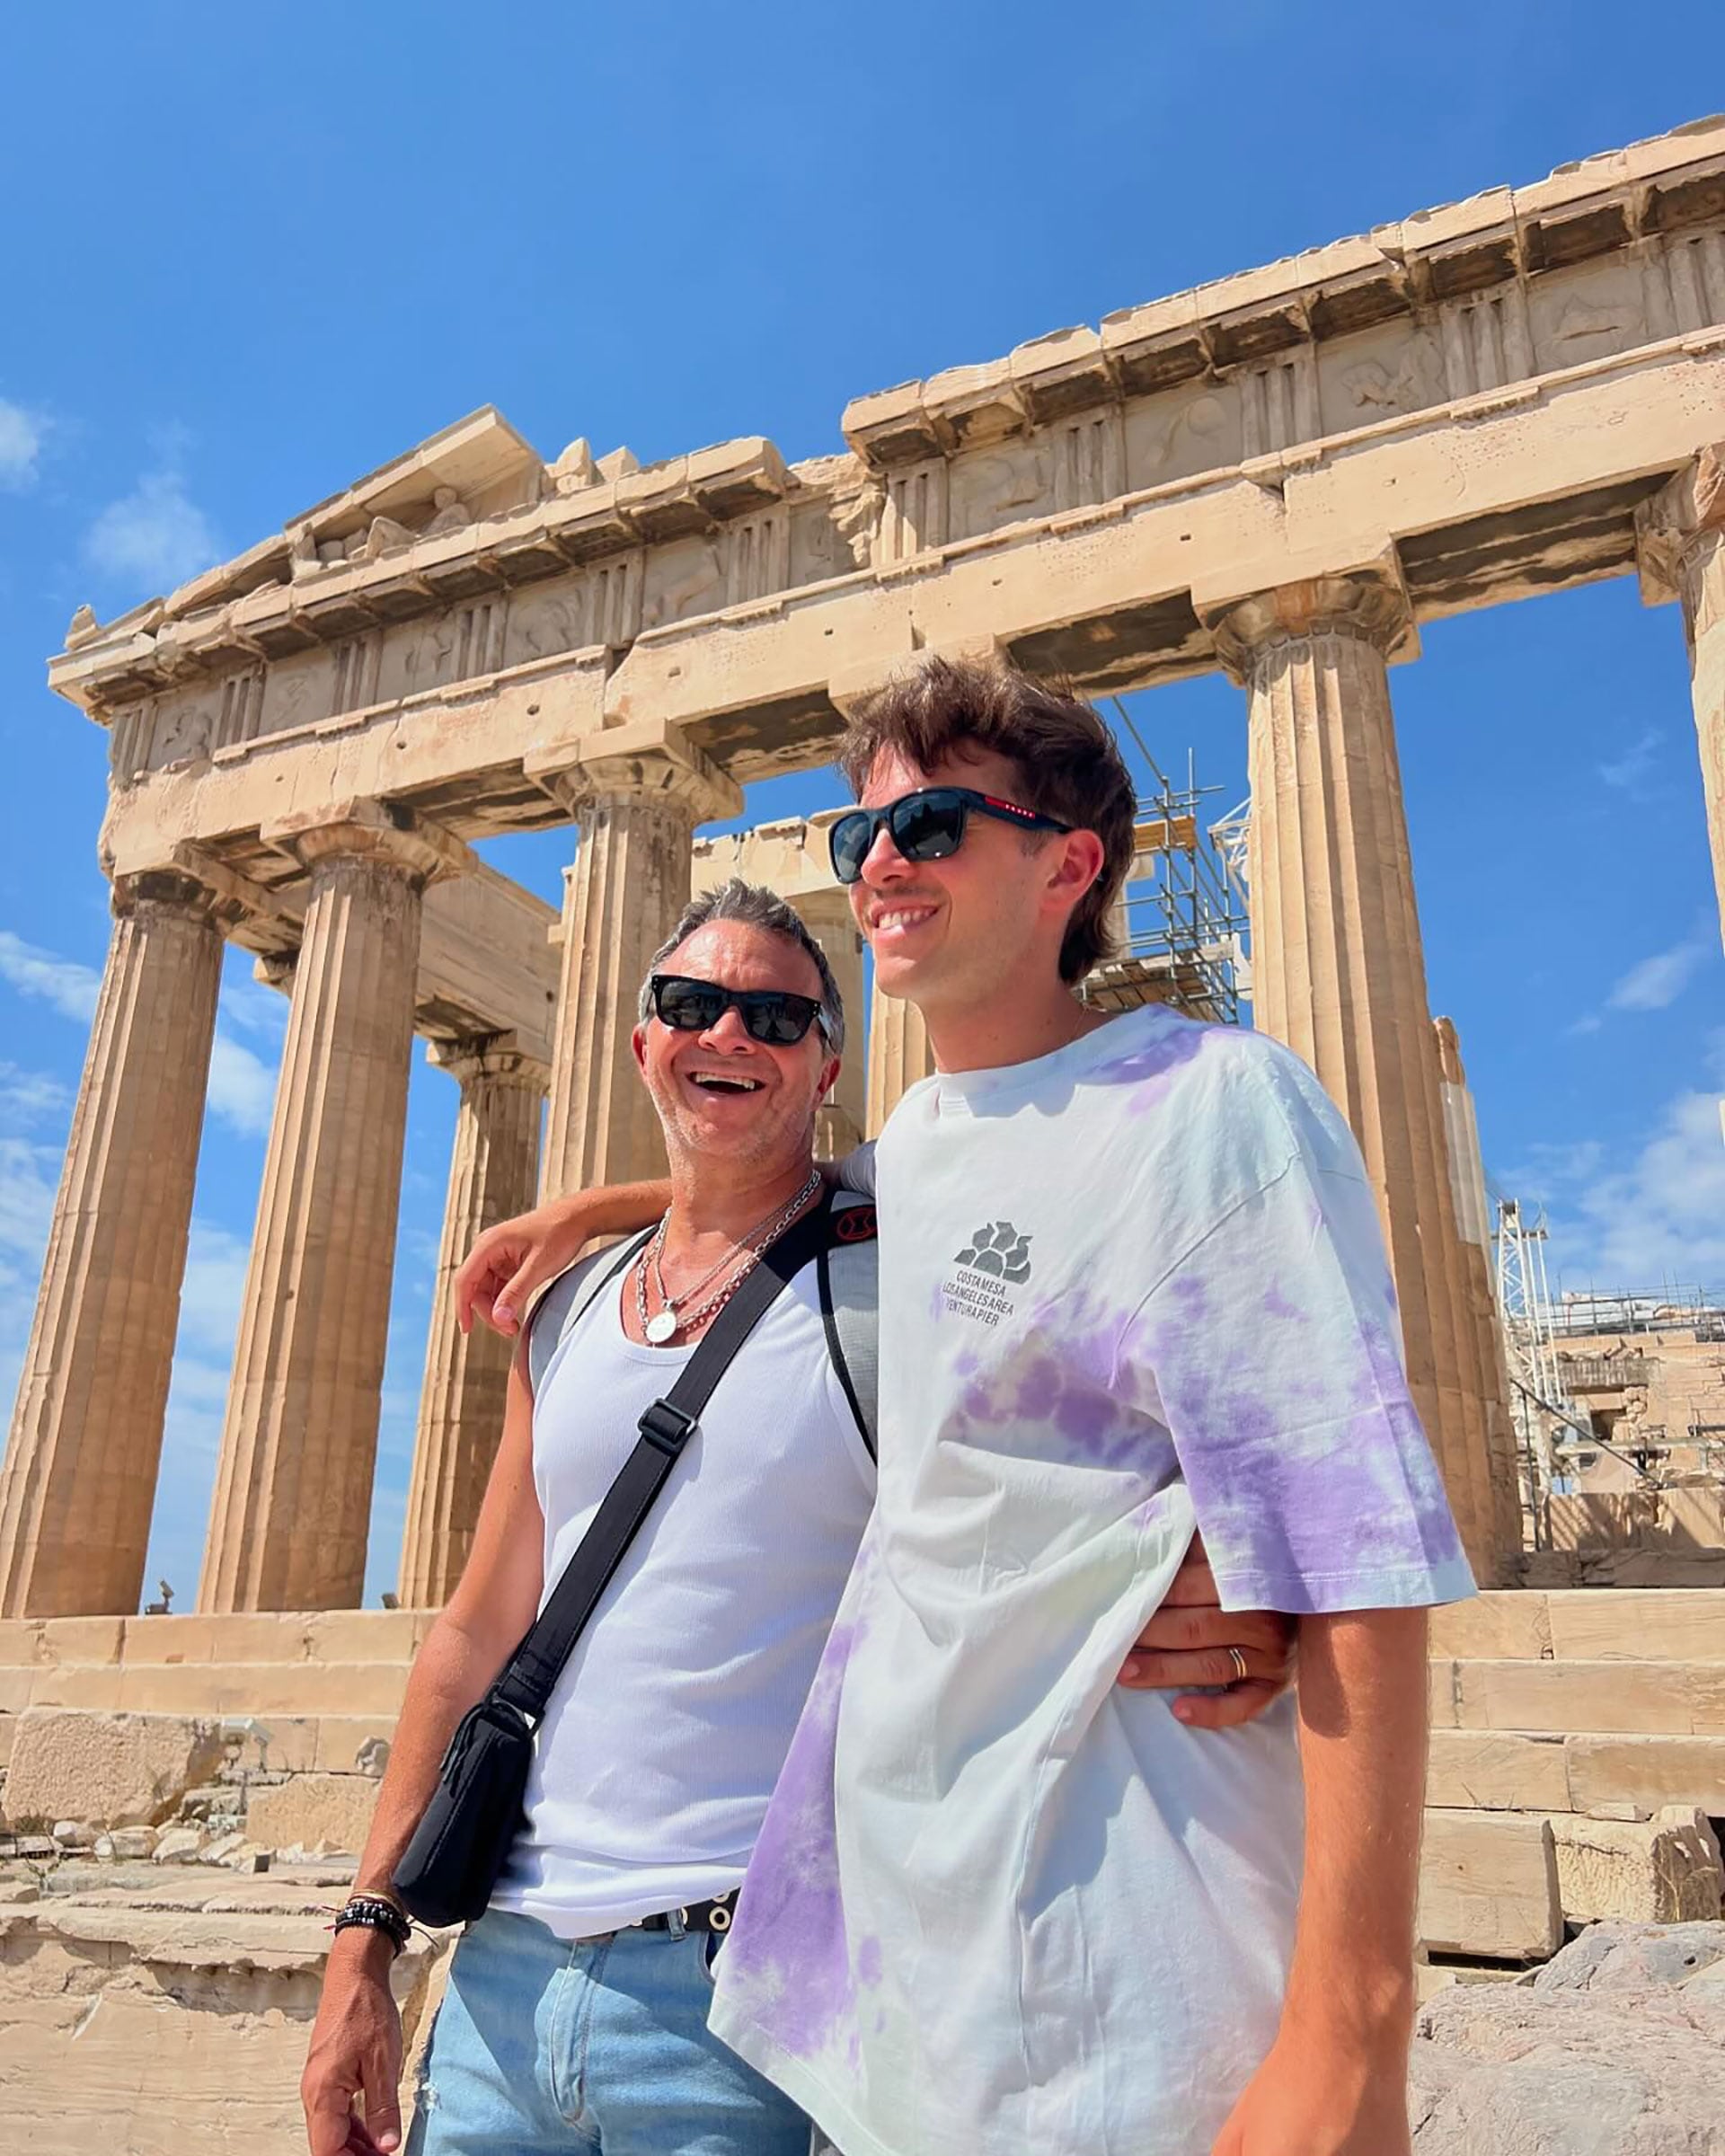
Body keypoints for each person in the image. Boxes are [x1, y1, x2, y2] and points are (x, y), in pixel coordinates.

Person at [466, 659, 1473, 2156]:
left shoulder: (1212, 1105)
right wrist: (600, 1211)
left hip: (1133, 2004)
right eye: (859, 833)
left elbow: (1350, 1547)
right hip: (893, 2025)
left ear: (1070, 868)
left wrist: (1351, 2036)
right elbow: (790, 1190)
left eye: (932, 825)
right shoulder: (918, 1150)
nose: (881, 862)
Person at [302, 878, 1290, 2156]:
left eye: (775, 1017)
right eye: (692, 1006)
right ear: (642, 1040)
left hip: (741, 2003)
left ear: (830, 1069)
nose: (729, 1034)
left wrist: (1246, 1568)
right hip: (501, 1982)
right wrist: (363, 1941)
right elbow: (474, 1631)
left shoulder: (902, 1277)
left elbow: (1113, 1308)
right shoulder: (565, 1311)